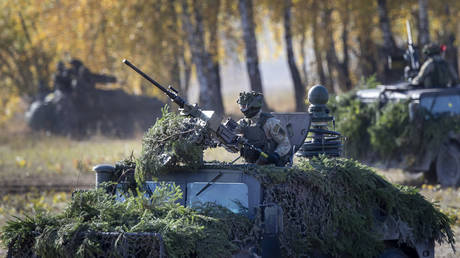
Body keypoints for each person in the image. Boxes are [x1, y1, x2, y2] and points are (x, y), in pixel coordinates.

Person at [236, 91, 291, 166]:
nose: (242, 110)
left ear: (253, 107)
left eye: (244, 107)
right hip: (250, 165)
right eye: (241, 107)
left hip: (270, 166)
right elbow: (230, 133)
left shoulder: (271, 122)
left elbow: (285, 143)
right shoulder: (244, 122)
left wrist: (276, 155)